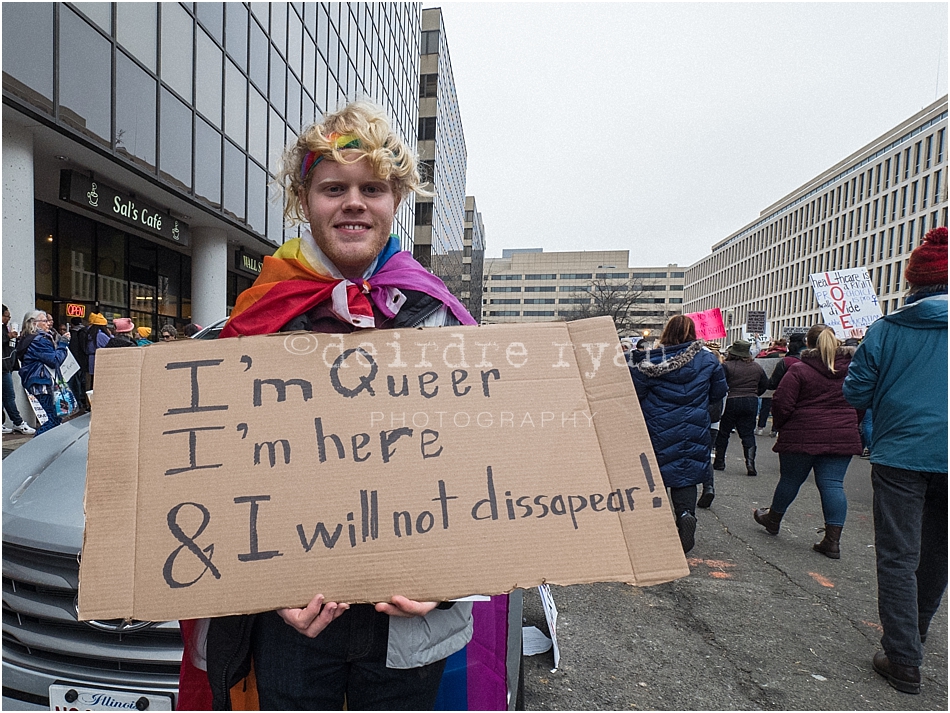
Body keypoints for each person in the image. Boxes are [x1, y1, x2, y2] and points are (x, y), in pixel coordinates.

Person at [180, 101, 479, 711]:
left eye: (371, 187)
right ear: (304, 196)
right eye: (333, 187)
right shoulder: (254, 319)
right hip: (286, 623)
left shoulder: (441, 318)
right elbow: (215, 474)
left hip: (408, 626)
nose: (353, 202)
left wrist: (447, 583)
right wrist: (265, 583)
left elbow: (483, 470)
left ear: (395, 199)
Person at [843, 225, 948, 695]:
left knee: (898, 555)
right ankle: (914, 638)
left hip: (901, 452)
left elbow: (856, 391)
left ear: (913, 283)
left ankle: (904, 657)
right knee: (938, 555)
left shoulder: (886, 329)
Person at [751, 327, 862, 557]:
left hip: (802, 432)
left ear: (808, 344)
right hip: (841, 434)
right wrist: (850, 422)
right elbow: (860, 400)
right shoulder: (852, 369)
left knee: (791, 479)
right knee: (833, 484)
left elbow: (782, 402)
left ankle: (773, 518)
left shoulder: (800, 370)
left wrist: (782, 425)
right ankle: (832, 540)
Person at [630, 315, 727, 553]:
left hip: (656, 425)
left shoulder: (649, 361)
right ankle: (685, 513)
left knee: (654, 475)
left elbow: (635, 394)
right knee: (686, 473)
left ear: (666, 333)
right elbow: (719, 394)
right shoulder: (708, 360)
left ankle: (657, 524)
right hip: (693, 424)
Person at [713, 340, 768, 476]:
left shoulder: (726, 366)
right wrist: (754, 394)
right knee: (748, 433)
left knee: (724, 432)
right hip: (751, 401)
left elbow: (720, 384)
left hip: (731, 400)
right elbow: (765, 384)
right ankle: (750, 464)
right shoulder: (757, 367)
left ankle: (719, 462)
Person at [15, 310, 70, 436]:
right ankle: (35, 445)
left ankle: (42, 444)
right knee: (54, 418)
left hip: (37, 381)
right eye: (45, 321)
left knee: (55, 417)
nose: (48, 324)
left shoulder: (29, 338)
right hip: (42, 383)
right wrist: (63, 345)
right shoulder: (39, 340)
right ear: (34, 323)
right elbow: (55, 360)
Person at [2, 304, 35, 435]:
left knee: (6, 396)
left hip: (7, 365)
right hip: (3, 367)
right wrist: (8, 336)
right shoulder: (4, 331)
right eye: (6, 316)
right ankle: (18, 422)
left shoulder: (5, 328)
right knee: (9, 396)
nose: (8, 319)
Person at [753, 338, 786, 435]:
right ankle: (775, 429)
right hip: (781, 385)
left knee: (765, 407)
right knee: (778, 408)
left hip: (770, 384)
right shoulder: (785, 356)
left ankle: (760, 427)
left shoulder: (769, 355)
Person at [85, 312, 111, 389]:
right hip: (100, 361)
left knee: (92, 382)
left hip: (91, 361)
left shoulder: (90, 334)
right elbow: (111, 344)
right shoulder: (101, 336)